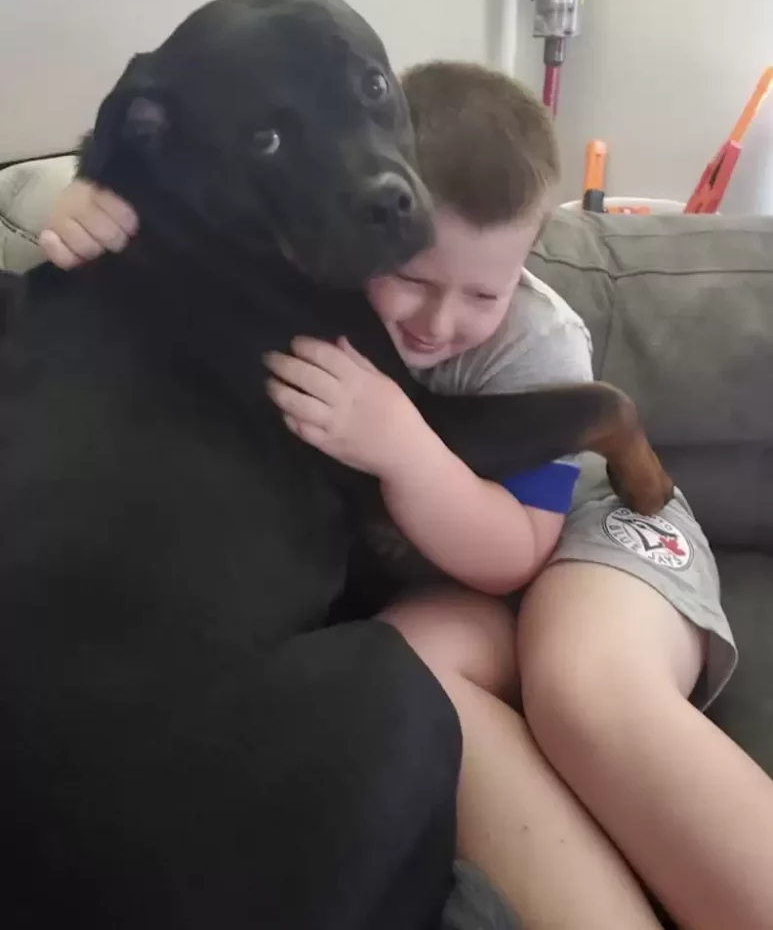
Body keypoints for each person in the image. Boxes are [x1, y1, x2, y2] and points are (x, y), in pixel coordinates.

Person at [40, 61, 773, 930]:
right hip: (452, 594)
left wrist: (399, 444)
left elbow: (511, 554)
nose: (437, 321)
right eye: (413, 278)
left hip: (582, 529)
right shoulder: (316, 279)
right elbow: (187, 169)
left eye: (481, 292)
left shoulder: (538, 347)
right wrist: (92, 195)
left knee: (581, 685)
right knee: (403, 684)